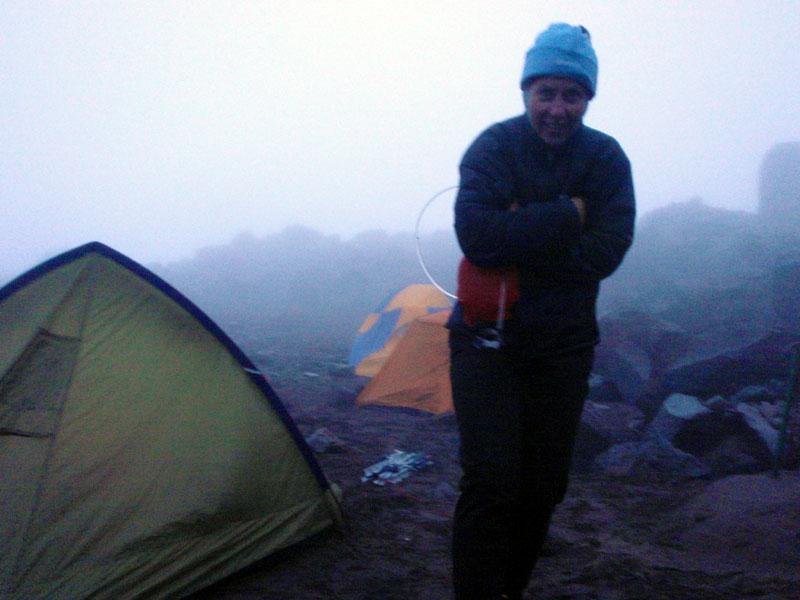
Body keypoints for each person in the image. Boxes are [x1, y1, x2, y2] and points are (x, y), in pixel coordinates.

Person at [447, 23, 636, 600]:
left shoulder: (605, 159)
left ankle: (509, 591)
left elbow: (609, 250)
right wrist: (565, 216)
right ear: (527, 92)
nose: (557, 108)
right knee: (492, 481)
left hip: (563, 348)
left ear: (588, 98)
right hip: (487, 343)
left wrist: (520, 233)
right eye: (546, 93)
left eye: (571, 95)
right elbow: (477, 238)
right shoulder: (494, 147)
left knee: (543, 486)